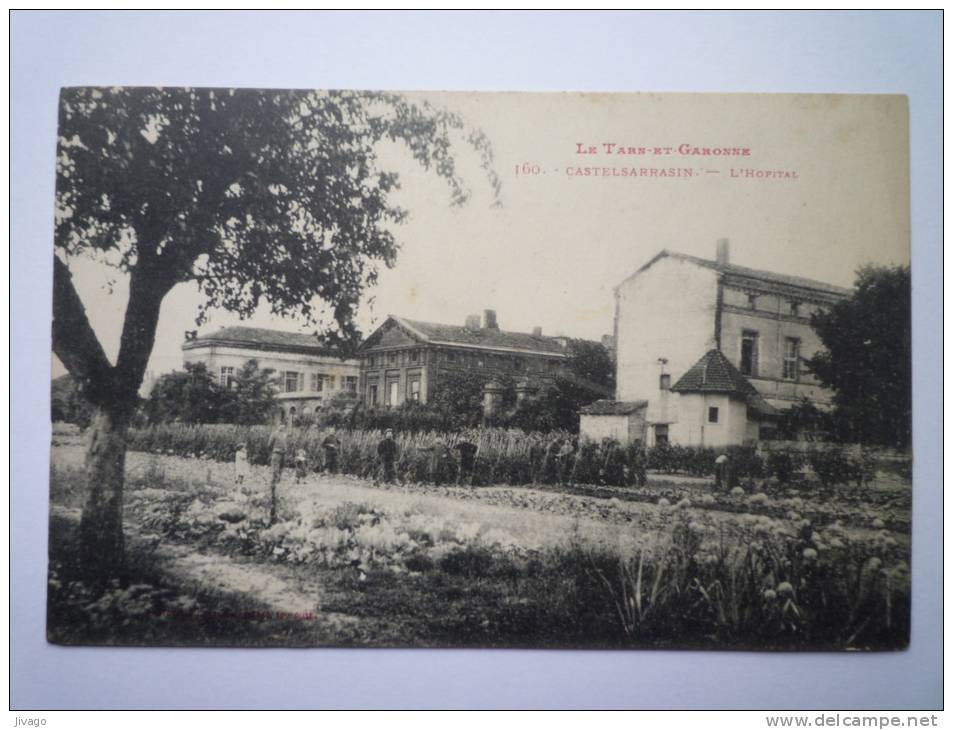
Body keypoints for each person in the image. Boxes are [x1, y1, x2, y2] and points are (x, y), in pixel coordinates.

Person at [267, 422, 289, 523]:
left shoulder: (284, 435)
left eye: (284, 426)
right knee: (275, 470)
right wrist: (274, 450)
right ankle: (273, 486)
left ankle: (278, 485)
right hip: (276, 453)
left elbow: (285, 443)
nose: (282, 427)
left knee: (281, 469)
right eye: (281, 425)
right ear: (278, 426)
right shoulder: (274, 434)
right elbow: (269, 444)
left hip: (283, 454)